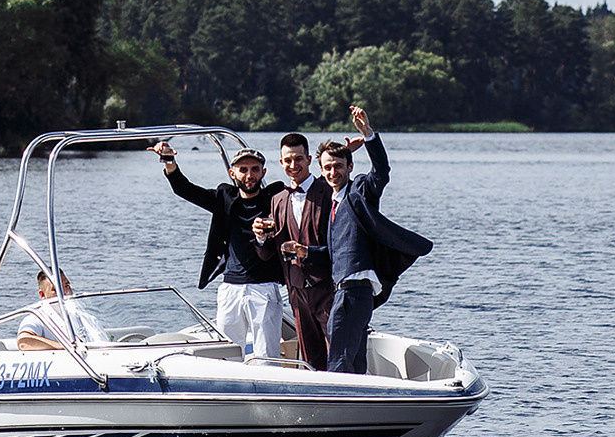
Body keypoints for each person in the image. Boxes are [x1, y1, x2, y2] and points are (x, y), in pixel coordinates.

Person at [316, 104, 434, 376]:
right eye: (327, 168)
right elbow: (334, 251)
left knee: (338, 356)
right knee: (354, 355)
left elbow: (380, 173)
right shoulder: (332, 203)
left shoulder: (358, 192)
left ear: (349, 167)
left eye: (338, 166)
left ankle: (338, 404)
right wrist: (303, 252)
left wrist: (368, 134)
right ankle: (358, 405)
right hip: (347, 290)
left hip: (354, 289)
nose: (333, 172)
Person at [152, 136, 286, 359]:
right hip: (230, 288)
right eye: (243, 169)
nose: (249, 175)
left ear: (264, 172)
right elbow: (185, 189)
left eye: (255, 169)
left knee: (267, 357)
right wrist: (168, 160)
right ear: (233, 173)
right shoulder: (224, 198)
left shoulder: (276, 199)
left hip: (264, 288)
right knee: (228, 357)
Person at [268, 131, 333, 367]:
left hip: (328, 289)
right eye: (288, 160)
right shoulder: (277, 200)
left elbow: (342, 245)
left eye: (298, 159)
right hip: (296, 291)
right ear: (281, 162)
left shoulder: (328, 192)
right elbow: (270, 252)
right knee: (310, 359)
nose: (293, 165)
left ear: (308, 159)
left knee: (338, 354)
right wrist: (261, 237)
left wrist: (308, 252)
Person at [16, 269, 106, 350]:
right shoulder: (37, 318)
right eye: (56, 289)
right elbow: (24, 342)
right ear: (42, 295)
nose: (65, 293)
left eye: (66, 286)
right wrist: (65, 347)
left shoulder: (87, 319)